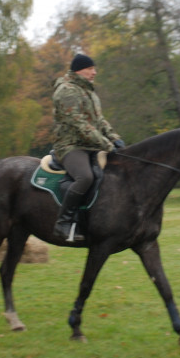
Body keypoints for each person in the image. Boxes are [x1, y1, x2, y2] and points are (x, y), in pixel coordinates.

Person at [51, 53, 124, 242]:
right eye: (90, 69)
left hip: (90, 145)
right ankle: (63, 223)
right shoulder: (66, 91)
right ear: (79, 70)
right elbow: (79, 124)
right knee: (85, 177)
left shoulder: (90, 93)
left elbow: (99, 120)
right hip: (70, 146)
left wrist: (115, 138)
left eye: (94, 69)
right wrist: (106, 144)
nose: (94, 72)